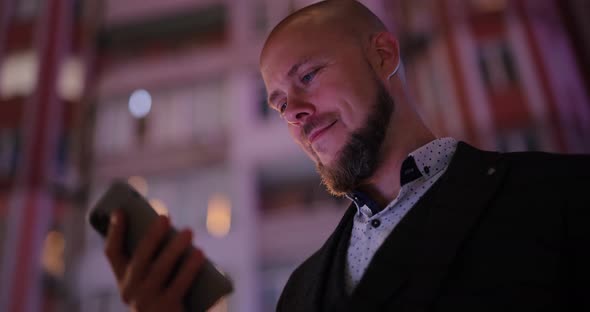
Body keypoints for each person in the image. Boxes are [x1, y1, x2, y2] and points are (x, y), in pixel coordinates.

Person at [104, 1, 590, 311]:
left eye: (308, 77)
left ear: (382, 55)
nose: (291, 111)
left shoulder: (557, 195)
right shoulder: (299, 291)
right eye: (277, 104)